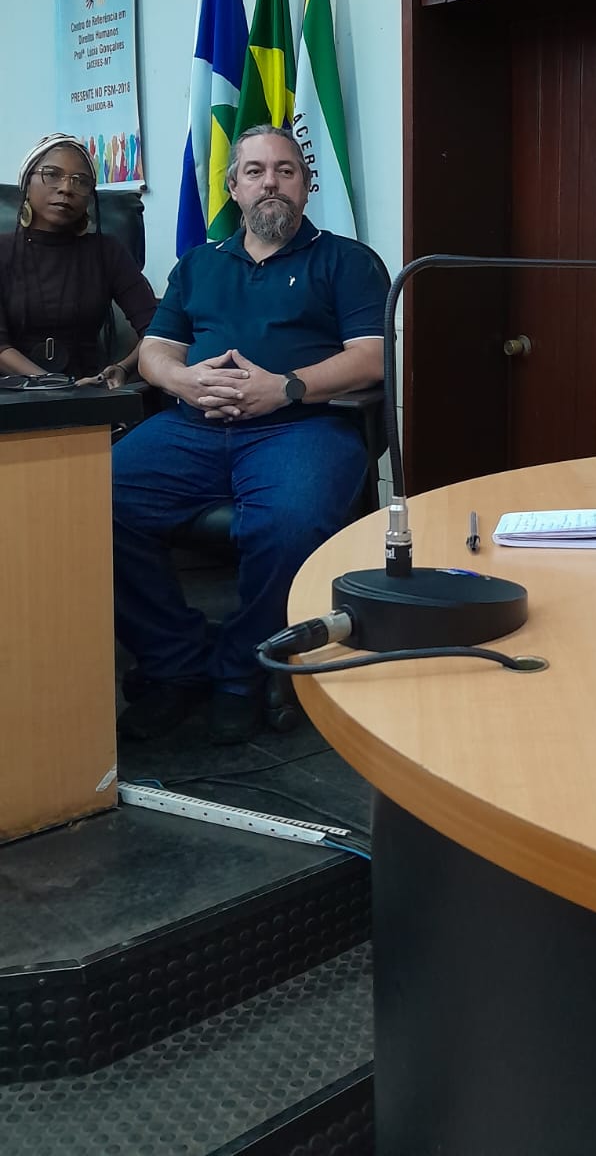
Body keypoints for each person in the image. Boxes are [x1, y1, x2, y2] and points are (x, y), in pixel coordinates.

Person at [111, 124, 388, 744]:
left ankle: (242, 671)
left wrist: (285, 386)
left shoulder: (344, 261)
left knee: (287, 522)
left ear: (306, 187)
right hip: (194, 425)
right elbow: (155, 350)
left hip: (303, 425)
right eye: (256, 172)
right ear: (233, 188)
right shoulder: (200, 263)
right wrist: (183, 382)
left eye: (286, 171)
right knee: (92, 499)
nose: (271, 183)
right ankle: (175, 661)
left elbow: (372, 357)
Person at [0, 133, 156, 386]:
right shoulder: (3, 250)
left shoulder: (107, 251)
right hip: (12, 394)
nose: (66, 188)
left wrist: (123, 368)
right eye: (52, 175)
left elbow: (157, 330)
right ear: (27, 183)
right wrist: (57, 384)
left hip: (89, 389)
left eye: (80, 181)